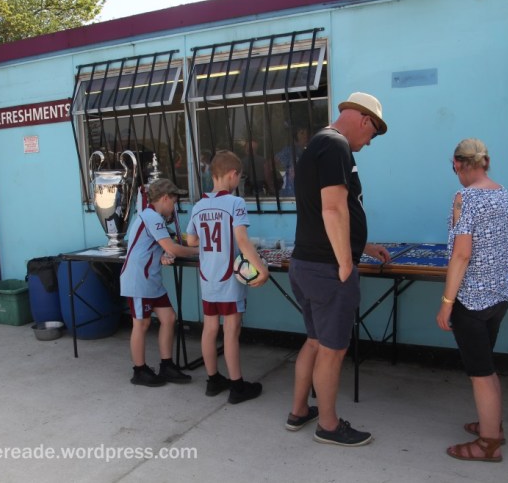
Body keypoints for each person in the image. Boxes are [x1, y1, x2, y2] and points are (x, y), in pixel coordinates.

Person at [287, 92, 390, 447]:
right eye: (373, 133)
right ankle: (328, 426)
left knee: (314, 342)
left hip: (306, 262)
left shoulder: (318, 143)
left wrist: (363, 246)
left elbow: (323, 212)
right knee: (332, 350)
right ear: (364, 120)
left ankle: (299, 411)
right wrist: (346, 263)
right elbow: (332, 209)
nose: (369, 142)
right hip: (327, 269)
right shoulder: (336, 146)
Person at [436, 138, 508, 463]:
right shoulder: (503, 194)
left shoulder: (465, 198)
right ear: (486, 162)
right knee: (488, 368)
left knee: (480, 374)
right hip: (499, 295)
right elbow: (505, 241)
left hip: (472, 300)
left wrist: (447, 302)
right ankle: (492, 425)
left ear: (457, 164)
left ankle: (488, 444)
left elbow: (462, 254)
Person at [186, 150, 270, 404]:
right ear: (233, 175)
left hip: (207, 277)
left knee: (210, 328)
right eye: (239, 177)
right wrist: (262, 268)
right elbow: (242, 240)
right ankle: (237, 386)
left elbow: (191, 240)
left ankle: (213, 380)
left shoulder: (198, 206)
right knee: (231, 331)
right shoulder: (236, 203)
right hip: (228, 279)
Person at [120, 179, 199, 387]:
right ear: (164, 198)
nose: (174, 207)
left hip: (151, 280)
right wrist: (200, 250)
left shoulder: (152, 217)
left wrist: (165, 252)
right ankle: (139, 370)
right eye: (174, 201)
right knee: (141, 324)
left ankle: (167, 365)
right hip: (138, 280)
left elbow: (161, 246)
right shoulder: (152, 217)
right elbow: (172, 247)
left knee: (169, 317)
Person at [274, 126, 310, 196]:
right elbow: (269, 165)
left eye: (307, 133)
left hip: (303, 194)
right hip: (290, 196)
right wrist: (272, 186)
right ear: (295, 136)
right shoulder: (289, 151)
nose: (306, 136)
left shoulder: (307, 152)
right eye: (302, 133)